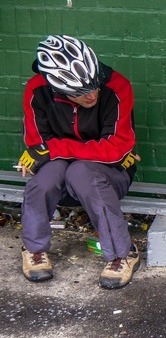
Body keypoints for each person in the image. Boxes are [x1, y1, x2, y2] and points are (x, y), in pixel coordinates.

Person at [17, 35, 140, 289]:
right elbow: (37, 142)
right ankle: (34, 249)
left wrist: (55, 149)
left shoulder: (118, 87)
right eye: (79, 92)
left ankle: (122, 254)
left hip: (109, 174)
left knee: (82, 172)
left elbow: (116, 149)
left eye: (94, 85)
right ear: (57, 87)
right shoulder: (37, 89)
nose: (91, 94)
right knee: (45, 180)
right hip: (60, 171)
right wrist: (49, 153)